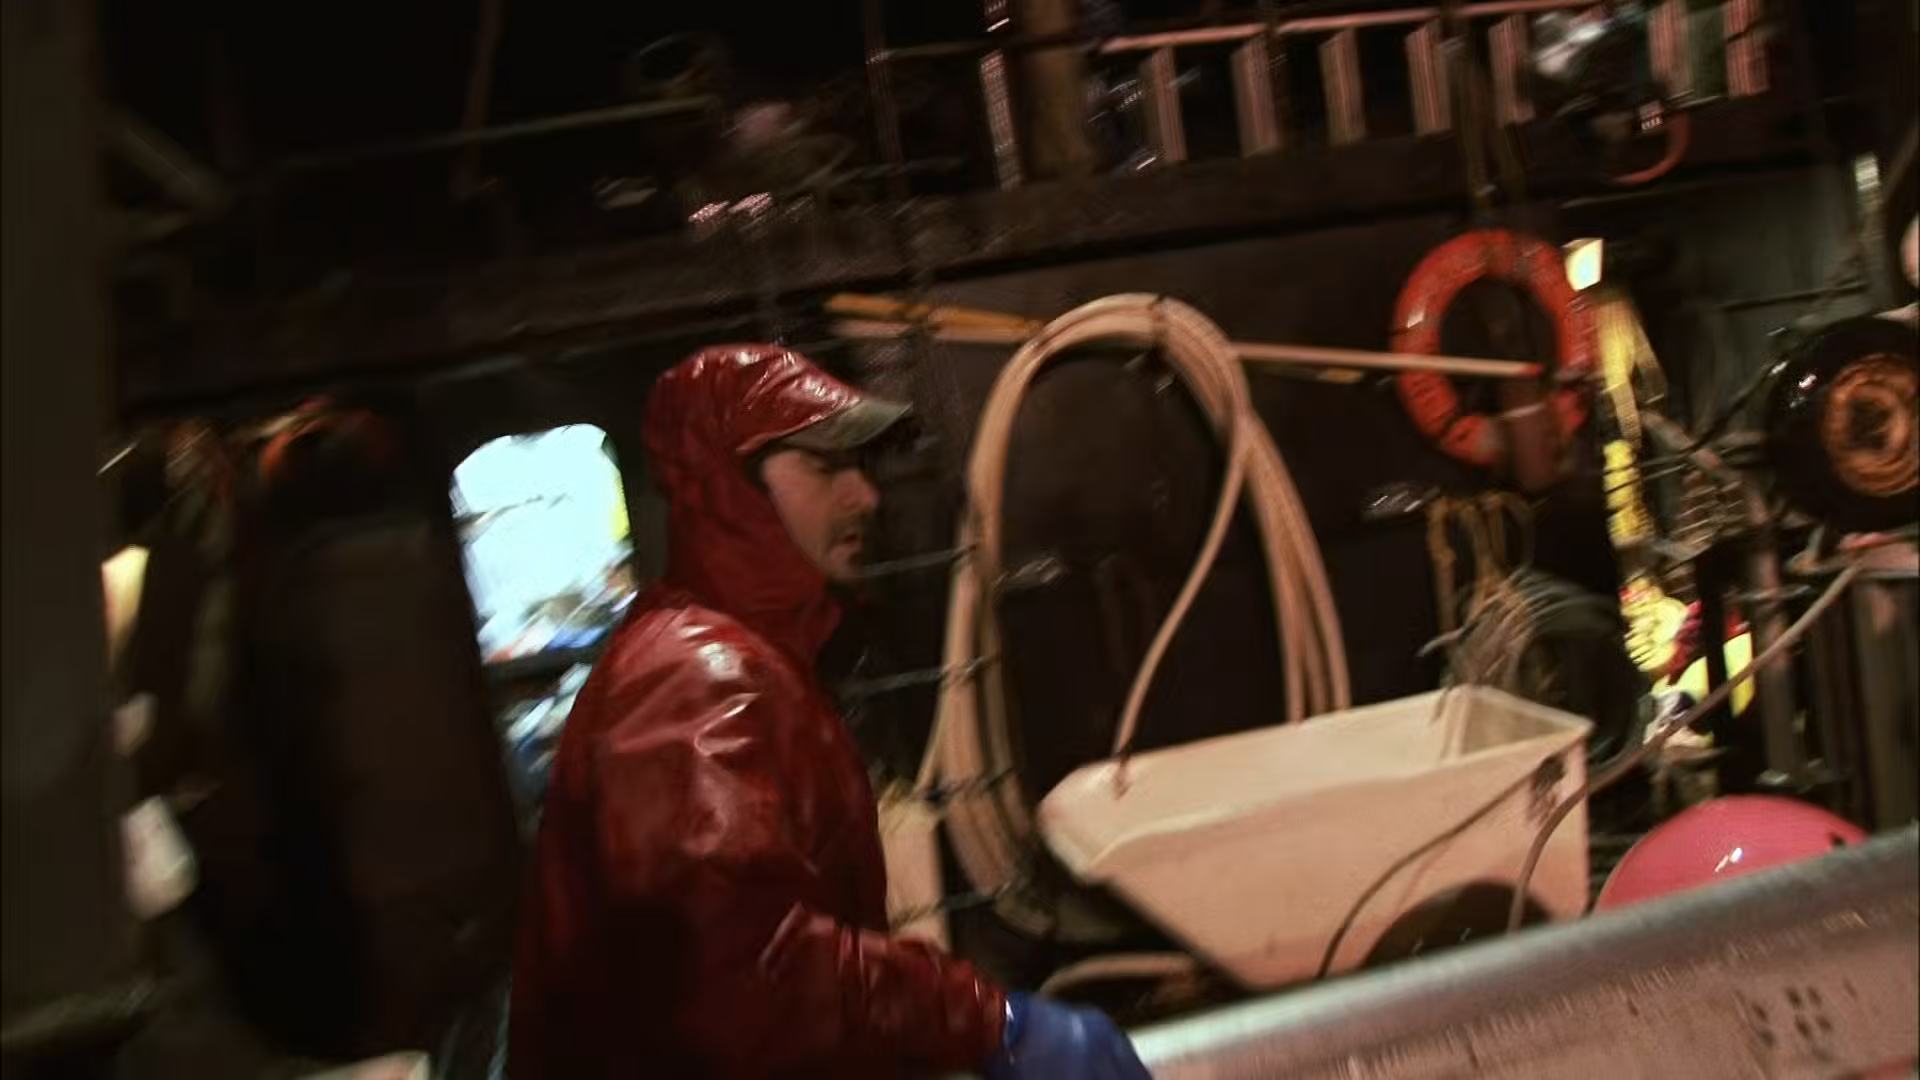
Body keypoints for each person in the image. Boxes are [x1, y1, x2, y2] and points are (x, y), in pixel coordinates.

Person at [510, 345, 1150, 1080]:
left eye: (860, 466)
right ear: (728, 489)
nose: (865, 495)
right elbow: (743, 972)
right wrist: (985, 1021)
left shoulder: (749, 658)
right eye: (824, 467)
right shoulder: (693, 682)